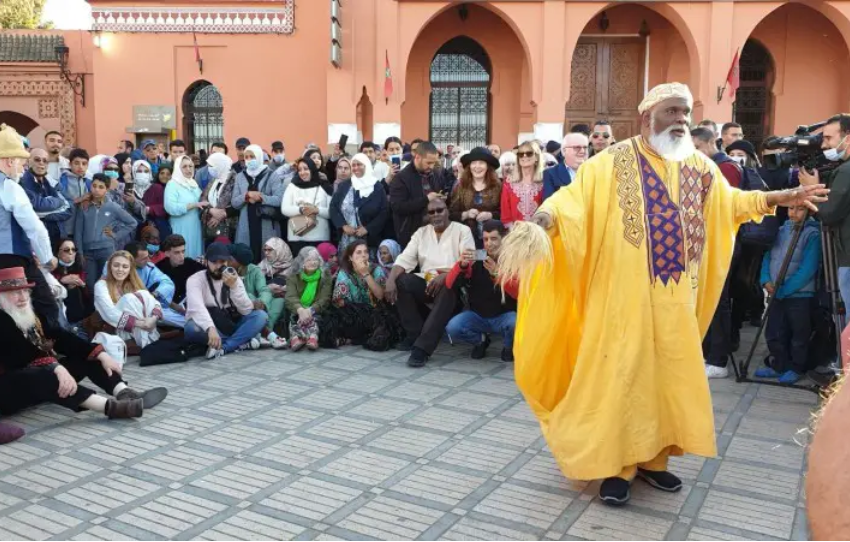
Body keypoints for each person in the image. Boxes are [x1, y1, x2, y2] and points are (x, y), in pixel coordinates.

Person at [496, 82, 828, 506]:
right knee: (621, 379)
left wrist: (780, 197)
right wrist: (542, 220)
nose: (681, 120)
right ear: (646, 117)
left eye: (686, 112)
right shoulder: (610, 163)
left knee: (665, 380)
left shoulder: (699, 166)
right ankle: (615, 466)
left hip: (676, 304)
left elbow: (731, 204)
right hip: (621, 302)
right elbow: (570, 201)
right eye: (672, 111)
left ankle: (653, 462)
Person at [0, 267, 168, 422]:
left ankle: (124, 392)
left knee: (88, 356)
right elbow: (20, 354)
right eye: (15, 293)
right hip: (9, 391)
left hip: (39, 381)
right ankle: (113, 408)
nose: (22, 297)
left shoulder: (32, 316)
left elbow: (62, 337)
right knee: (46, 374)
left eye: (25, 291)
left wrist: (100, 353)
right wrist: (56, 368)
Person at [386, 197, 475, 368]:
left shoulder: (462, 230)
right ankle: (415, 334)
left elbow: (468, 260)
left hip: (455, 283)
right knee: (401, 281)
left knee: (448, 285)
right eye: (431, 212)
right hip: (427, 281)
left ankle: (422, 348)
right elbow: (404, 260)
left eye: (440, 210)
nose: (436, 215)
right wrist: (390, 280)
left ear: (447, 210)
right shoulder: (421, 233)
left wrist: (446, 275)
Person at [754, 205, 822, 384]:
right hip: (777, 293)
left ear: (810, 211)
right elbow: (768, 256)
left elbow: (808, 268)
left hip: (800, 295)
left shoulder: (812, 234)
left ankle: (796, 367)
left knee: (798, 334)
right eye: (791, 208)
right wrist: (765, 279)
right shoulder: (780, 230)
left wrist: (784, 289)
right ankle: (779, 364)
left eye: (799, 209)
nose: (793, 213)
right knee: (774, 331)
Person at [445, 221, 518, 362]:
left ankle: (509, 347)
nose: (489, 243)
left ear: (504, 238)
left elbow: (519, 293)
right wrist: (461, 265)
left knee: (515, 322)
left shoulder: (512, 258)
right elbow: (449, 284)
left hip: (505, 315)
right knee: (453, 327)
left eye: (494, 238)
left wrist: (498, 275)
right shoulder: (478, 256)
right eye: (485, 239)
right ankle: (481, 341)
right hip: (478, 316)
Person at [184, 242, 268, 358]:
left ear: (227, 262)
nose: (218, 267)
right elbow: (197, 308)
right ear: (206, 261)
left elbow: (246, 310)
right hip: (210, 326)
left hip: (230, 323)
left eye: (222, 262)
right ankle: (241, 342)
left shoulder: (233, 277)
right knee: (191, 328)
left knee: (260, 316)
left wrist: (233, 287)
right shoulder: (195, 280)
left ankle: (224, 348)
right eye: (214, 262)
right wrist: (210, 328)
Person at [329, 239, 402, 349]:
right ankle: (354, 337)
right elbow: (339, 302)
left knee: (383, 330)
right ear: (350, 257)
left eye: (366, 252)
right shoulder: (344, 272)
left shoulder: (376, 269)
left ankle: (353, 339)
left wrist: (366, 274)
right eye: (358, 252)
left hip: (375, 314)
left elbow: (381, 296)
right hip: (355, 316)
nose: (363, 255)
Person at [74, 174, 137, 291]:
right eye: (94, 186)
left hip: (106, 250)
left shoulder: (112, 207)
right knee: (91, 284)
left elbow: (132, 223)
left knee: (108, 283)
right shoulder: (84, 206)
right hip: (88, 253)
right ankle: (95, 308)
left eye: (101, 187)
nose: (96, 190)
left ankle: (107, 309)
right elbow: (78, 231)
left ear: (107, 189)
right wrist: (80, 252)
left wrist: (115, 235)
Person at [94, 250, 164, 349]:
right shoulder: (101, 285)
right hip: (116, 329)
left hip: (146, 327)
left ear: (130, 269)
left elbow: (155, 302)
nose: (120, 270)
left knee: (144, 294)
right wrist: (142, 324)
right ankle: (149, 342)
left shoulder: (133, 283)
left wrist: (152, 320)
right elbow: (110, 313)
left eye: (125, 266)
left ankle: (147, 342)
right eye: (116, 265)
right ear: (110, 267)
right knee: (129, 298)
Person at [389, 141, 449, 247]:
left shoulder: (435, 173)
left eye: (434, 162)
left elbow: (440, 192)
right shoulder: (401, 178)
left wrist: (442, 198)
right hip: (411, 237)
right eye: (429, 163)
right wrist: (426, 199)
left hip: (435, 233)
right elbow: (397, 207)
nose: (432, 166)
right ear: (417, 157)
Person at [228, 243, 287, 349]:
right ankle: (269, 335)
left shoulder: (255, 270)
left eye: (231, 259)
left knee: (279, 301)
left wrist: (262, 303)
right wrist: (254, 302)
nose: (229, 260)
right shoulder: (227, 272)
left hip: (258, 309)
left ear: (240, 263)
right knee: (249, 295)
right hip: (242, 310)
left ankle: (263, 333)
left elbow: (264, 290)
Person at [231, 144, 284, 262]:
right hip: (246, 224)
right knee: (246, 259)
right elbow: (234, 202)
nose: (249, 160)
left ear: (259, 157)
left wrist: (261, 197)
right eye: (247, 157)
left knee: (267, 259)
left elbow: (279, 199)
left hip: (266, 223)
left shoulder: (271, 175)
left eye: (252, 157)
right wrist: (246, 196)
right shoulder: (240, 176)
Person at [330, 152, 388, 255]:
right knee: (347, 268)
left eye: (359, 164)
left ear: (366, 165)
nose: (356, 168)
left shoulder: (377, 187)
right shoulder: (344, 186)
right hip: (346, 240)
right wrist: (343, 226)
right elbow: (333, 207)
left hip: (369, 241)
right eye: (353, 165)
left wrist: (367, 228)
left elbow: (384, 211)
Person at [119, 242, 184, 328]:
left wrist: (154, 294)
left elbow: (167, 282)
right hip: (122, 308)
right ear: (131, 259)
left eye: (148, 256)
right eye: (144, 258)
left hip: (147, 306)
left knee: (175, 317)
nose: (148, 260)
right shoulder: (114, 268)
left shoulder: (148, 267)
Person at [450, 147, 501, 248]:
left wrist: (490, 215)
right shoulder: (461, 186)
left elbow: (504, 213)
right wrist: (466, 214)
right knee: (473, 262)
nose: (477, 166)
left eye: (481, 163)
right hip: (467, 240)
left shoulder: (498, 186)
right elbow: (451, 214)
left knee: (489, 263)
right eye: (474, 163)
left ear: (488, 166)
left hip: (493, 242)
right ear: (469, 166)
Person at [285, 247, 333, 352]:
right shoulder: (293, 275)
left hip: (317, 309)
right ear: (302, 262)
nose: (313, 262)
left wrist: (310, 311)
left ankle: (313, 337)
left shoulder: (325, 274)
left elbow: (325, 298)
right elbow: (290, 297)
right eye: (308, 260)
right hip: (298, 309)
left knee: (315, 317)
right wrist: (301, 310)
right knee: (294, 316)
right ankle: (295, 338)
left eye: (315, 259)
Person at [21, 148, 72, 247]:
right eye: (37, 159)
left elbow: (70, 208)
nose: (41, 163)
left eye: (45, 161)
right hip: (37, 242)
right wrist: (60, 203)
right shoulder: (22, 182)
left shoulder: (52, 181)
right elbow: (36, 207)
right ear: (28, 161)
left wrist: (47, 215)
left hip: (59, 238)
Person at [281, 158, 332, 255]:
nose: (302, 172)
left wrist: (316, 210)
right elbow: (284, 209)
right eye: (299, 169)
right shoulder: (292, 186)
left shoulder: (325, 186)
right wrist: (301, 210)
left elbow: (331, 212)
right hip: (297, 237)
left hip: (320, 237)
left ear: (312, 169)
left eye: (306, 169)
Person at [164, 155, 206, 259]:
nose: (188, 169)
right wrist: (193, 205)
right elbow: (170, 207)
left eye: (191, 166)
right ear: (178, 168)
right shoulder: (172, 184)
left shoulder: (193, 183)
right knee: (182, 254)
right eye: (184, 166)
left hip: (195, 226)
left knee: (196, 255)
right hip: (181, 226)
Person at [52, 238, 94, 330]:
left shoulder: (80, 266)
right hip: (62, 316)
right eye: (66, 250)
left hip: (83, 314)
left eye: (73, 249)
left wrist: (82, 285)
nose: (71, 252)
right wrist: (61, 281)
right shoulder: (51, 269)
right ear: (58, 253)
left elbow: (89, 295)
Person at [501, 140, 544, 228]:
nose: (524, 156)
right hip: (515, 232)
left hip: (538, 232)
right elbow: (505, 213)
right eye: (521, 154)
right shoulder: (509, 182)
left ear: (536, 157)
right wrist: (514, 232)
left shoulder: (544, 181)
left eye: (529, 153)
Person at [156, 234, 205, 310]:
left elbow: (209, 274)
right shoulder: (158, 269)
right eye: (177, 253)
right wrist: (176, 307)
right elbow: (157, 296)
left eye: (183, 251)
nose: (182, 256)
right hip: (167, 309)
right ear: (167, 253)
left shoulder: (190, 263)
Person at [199, 152, 237, 245]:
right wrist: (211, 210)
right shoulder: (214, 179)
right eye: (208, 166)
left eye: (212, 166)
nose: (209, 169)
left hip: (228, 227)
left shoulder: (235, 180)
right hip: (210, 228)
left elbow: (237, 204)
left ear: (220, 165)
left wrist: (221, 215)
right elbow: (203, 199)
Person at [259, 237, 293, 333]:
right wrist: (268, 288)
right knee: (267, 296)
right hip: (265, 297)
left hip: (284, 298)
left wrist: (285, 290)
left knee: (279, 301)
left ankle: (266, 330)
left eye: (270, 250)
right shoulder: (264, 264)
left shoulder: (293, 267)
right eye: (265, 250)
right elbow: (255, 283)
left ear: (279, 250)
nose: (266, 253)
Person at [543, 133, 589, 201]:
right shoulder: (551, 174)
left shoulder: (596, 172)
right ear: (564, 151)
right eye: (577, 147)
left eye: (585, 147)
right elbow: (549, 204)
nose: (582, 151)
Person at [59, 148, 91, 235]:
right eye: (76, 163)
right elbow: (60, 204)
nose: (80, 166)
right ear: (70, 164)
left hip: (84, 231)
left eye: (84, 164)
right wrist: (79, 200)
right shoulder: (62, 181)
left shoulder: (89, 183)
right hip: (66, 230)